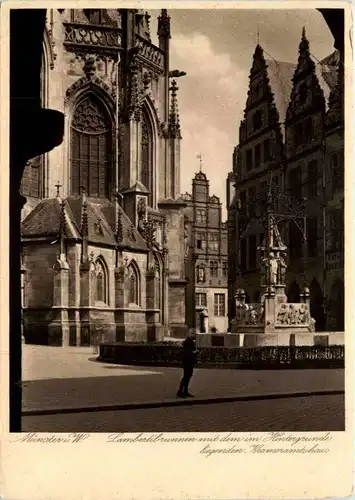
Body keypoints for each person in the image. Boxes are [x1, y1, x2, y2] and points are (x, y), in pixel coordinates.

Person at [177, 328, 198, 398]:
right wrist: (195, 352)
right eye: (192, 333)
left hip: (189, 362)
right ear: (188, 334)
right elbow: (188, 353)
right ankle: (180, 391)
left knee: (188, 376)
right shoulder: (188, 342)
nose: (194, 335)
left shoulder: (191, 341)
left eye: (194, 333)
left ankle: (185, 391)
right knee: (186, 377)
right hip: (187, 362)